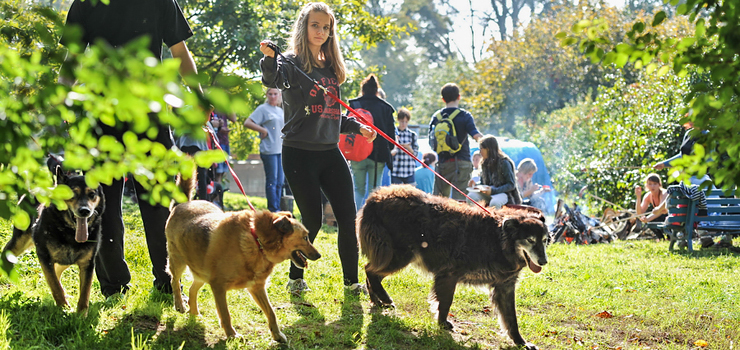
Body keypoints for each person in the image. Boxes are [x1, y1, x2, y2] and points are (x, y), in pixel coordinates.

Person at [59, 0, 204, 297]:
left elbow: (179, 50)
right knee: (108, 203)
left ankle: (164, 279)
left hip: (144, 112)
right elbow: (73, 58)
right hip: (103, 114)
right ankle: (116, 284)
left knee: (156, 201)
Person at [259, 2, 376, 295]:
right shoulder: (289, 63)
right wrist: (270, 59)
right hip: (299, 152)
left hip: (329, 152)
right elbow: (272, 79)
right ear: (304, 26)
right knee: (311, 220)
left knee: (349, 219)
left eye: (326, 27)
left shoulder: (331, 68)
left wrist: (358, 127)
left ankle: (352, 283)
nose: (321, 31)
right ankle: (296, 278)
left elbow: (333, 113)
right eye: (315, 25)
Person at [348, 74, 396, 209]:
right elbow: (390, 136)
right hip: (378, 155)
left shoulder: (354, 104)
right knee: (374, 192)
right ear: (377, 90)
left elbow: (346, 130)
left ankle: (355, 222)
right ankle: (371, 224)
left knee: (358, 190)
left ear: (362, 89)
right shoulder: (385, 107)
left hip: (356, 154)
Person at [429, 83, 483, 200]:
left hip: (443, 163)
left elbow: (432, 141)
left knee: (439, 201)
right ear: (459, 97)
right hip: (462, 163)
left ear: (443, 99)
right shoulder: (464, 116)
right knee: (460, 201)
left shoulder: (436, 117)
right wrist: (488, 142)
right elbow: (475, 135)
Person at [243, 88, 285, 212]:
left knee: (280, 182)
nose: (273, 96)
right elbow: (247, 122)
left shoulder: (280, 110)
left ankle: (278, 208)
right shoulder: (263, 109)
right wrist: (263, 130)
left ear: (279, 95)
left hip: (281, 150)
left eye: (275, 94)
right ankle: (273, 209)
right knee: (272, 181)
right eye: (270, 94)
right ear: (267, 95)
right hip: (269, 150)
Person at [467, 135, 522, 207]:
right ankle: (478, 217)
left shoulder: (504, 163)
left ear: (488, 149)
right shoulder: (484, 163)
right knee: (471, 197)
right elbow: (483, 183)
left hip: (504, 194)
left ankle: (492, 218)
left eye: (481, 149)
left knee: (495, 203)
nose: (480, 152)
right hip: (489, 194)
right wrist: (475, 185)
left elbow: (511, 185)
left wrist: (493, 191)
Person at [635, 173, 669, 239]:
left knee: (651, 219)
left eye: (655, 184)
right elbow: (639, 213)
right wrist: (638, 197)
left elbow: (661, 210)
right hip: (661, 217)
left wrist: (647, 219)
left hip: (669, 216)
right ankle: (661, 238)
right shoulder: (648, 196)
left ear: (659, 185)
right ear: (646, 185)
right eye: (650, 184)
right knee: (650, 221)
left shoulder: (664, 193)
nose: (652, 186)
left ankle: (669, 237)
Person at [390, 108, 418, 185]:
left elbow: (415, 154)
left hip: (409, 170)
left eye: (406, 122)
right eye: (402, 121)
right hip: (396, 170)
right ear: (398, 120)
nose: (404, 124)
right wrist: (397, 146)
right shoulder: (393, 133)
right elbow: (390, 152)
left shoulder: (412, 135)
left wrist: (408, 147)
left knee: (411, 194)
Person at [210, 112, 237, 184]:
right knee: (215, 172)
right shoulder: (212, 107)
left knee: (222, 172)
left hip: (224, 142)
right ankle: (214, 192)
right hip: (214, 142)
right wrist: (219, 128)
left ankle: (218, 192)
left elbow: (234, 119)